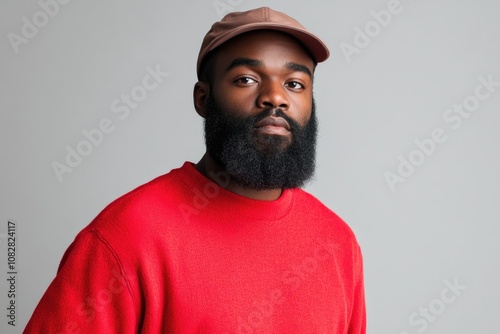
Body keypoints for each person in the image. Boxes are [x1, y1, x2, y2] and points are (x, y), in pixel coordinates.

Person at [24, 7, 366, 333]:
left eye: (294, 84)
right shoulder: (126, 236)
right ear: (203, 99)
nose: (275, 97)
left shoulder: (337, 244)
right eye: (246, 79)